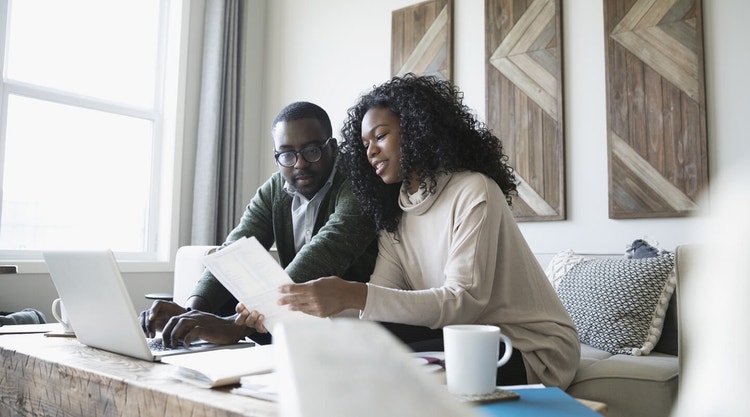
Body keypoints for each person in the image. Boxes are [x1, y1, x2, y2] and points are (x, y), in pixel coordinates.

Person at [240, 74, 580, 388]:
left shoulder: (474, 191)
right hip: (463, 336)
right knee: (355, 349)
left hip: (526, 348)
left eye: (381, 135)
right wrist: (305, 310)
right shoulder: (397, 210)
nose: (370, 150)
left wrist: (349, 294)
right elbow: (382, 304)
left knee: (385, 370)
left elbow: (463, 302)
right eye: (364, 143)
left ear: (418, 129)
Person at [140, 101, 378, 347]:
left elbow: (327, 250)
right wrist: (190, 312)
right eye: (286, 154)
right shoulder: (275, 189)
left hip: (352, 323)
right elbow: (234, 248)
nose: (300, 164)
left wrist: (235, 325)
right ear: (276, 156)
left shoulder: (359, 181)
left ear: (332, 147)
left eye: (312, 151)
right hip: (290, 318)